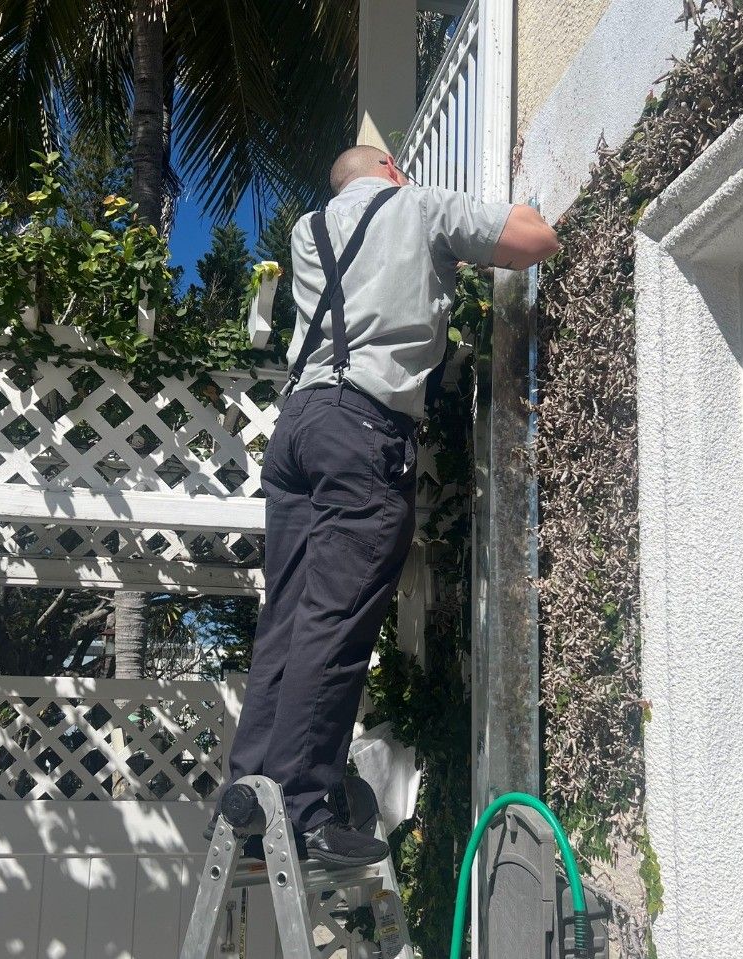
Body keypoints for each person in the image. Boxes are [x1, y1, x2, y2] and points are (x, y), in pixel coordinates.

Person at [211, 145, 560, 867]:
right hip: (362, 432)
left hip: (299, 429)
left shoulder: (309, 233)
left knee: (287, 618)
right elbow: (534, 238)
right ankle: (304, 814)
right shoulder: (420, 204)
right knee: (332, 623)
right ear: (394, 166)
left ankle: (250, 811)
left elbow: (370, 291)